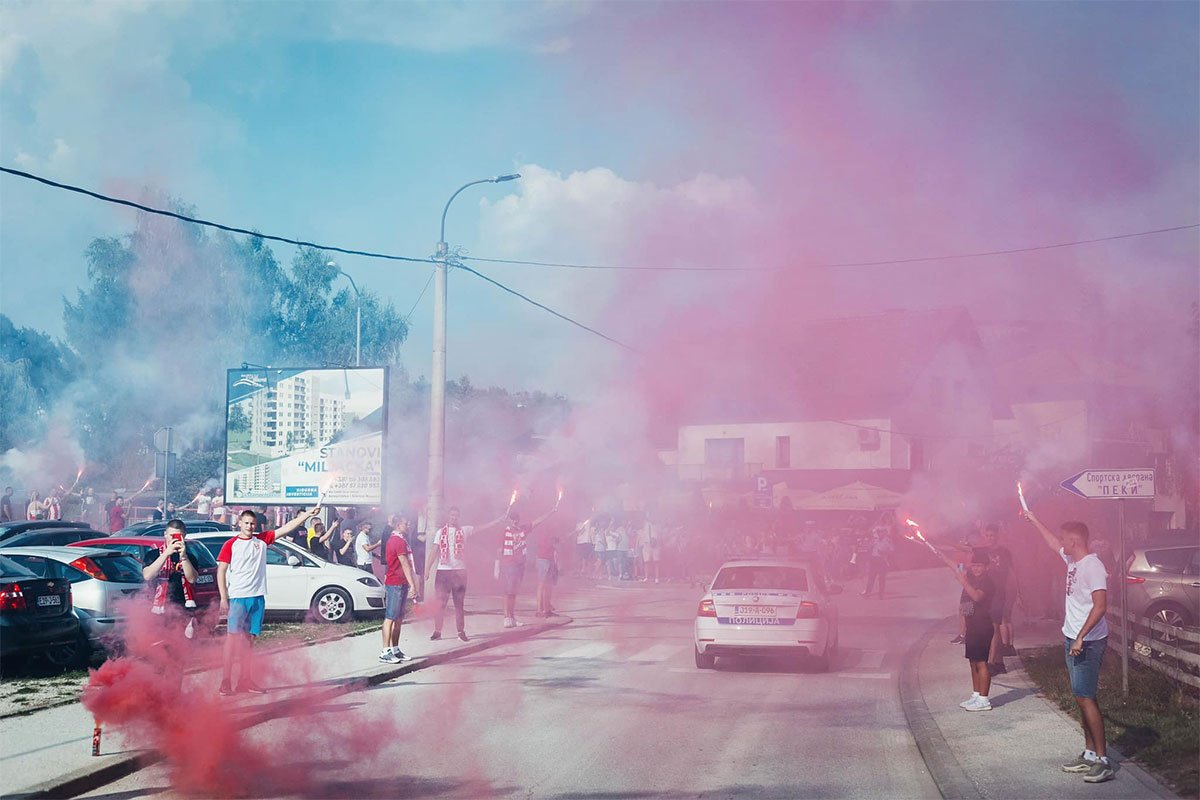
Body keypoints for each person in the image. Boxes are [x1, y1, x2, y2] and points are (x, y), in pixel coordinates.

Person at [1022, 512, 1113, 782]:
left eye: (1065, 539)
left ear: (1074, 541)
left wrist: (1081, 636)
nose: (1061, 543)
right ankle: (1089, 755)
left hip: (1088, 641)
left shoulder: (1092, 567)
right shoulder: (1072, 559)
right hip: (1072, 637)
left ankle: (1104, 761)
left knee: (1086, 697)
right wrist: (1034, 519)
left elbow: (1101, 606)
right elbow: (1052, 542)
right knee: (1081, 697)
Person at [217, 506, 318, 696]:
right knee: (232, 640)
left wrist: (307, 515)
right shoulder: (231, 544)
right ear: (239, 523)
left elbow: (287, 528)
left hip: (257, 597)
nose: (249, 526)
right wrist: (224, 598)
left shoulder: (262, 540)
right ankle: (225, 681)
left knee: (249, 640)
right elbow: (221, 570)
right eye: (246, 523)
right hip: (238, 597)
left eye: (252, 523)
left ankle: (244, 681)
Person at [424, 505, 504, 642]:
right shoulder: (440, 532)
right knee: (440, 603)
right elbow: (433, 551)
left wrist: (497, 521)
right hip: (443, 571)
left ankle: (461, 631)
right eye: (451, 515)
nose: (453, 518)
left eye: (456, 515)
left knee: (459, 604)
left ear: (458, 517)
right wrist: (427, 569)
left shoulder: (465, 530)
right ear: (448, 517)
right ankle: (437, 631)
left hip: (459, 572)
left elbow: (482, 528)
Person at [935, 549, 996, 710]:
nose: (976, 569)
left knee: (982, 663)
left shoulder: (987, 582)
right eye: (974, 565)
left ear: (986, 567)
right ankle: (976, 695)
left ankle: (984, 700)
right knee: (973, 662)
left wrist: (963, 582)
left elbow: (977, 596)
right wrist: (942, 555)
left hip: (983, 627)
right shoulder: (970, 576)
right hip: (972, 627)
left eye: (979, 566)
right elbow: (956, 566)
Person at [496, 507, 556, 628]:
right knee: (509, 590)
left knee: (514, 591)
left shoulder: (522, 529)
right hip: (509, 564)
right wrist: (497, 566)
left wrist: (550, 512)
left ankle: (512, 617)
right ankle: (506, 617)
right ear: (509, 520)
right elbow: (499, 549)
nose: (515, 521)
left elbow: (536, 522)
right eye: (512, 519)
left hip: (520, 565)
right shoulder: (504, 531)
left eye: (516, 519)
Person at [379, 516, 416, 664]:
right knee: (390, 617)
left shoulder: (401, 540)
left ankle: (395, 649)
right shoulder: (397, 541)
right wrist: (412, 583)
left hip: (400, 582)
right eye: (406, 523)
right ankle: (385, 651)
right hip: (395, 583)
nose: (409, 525)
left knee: (399, 618)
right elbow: (405, 564)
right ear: (399, 525)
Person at [143, 519, 200, 615]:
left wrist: (184, 557)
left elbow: (192, 579)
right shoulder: (153, 554)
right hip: (156, 607)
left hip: (182, 607)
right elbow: (148, 576)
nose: (175, 539)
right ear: (165, 534)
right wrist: (166, 554)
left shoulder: (190, 557)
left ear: (184, 535)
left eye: (178, 536)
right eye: (171, 536)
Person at [861, 527, 894, 599]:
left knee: (881, 579)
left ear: (884, 533)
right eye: (879, 532)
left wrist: (884, 552)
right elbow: (868, 548)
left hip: (882, 560)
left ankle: (881, 594)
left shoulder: (888, 541)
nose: (880, 533)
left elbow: (892, 551)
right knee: (871, 578)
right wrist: (870, 545)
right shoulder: (875, 540)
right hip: (873, 560)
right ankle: (867, 593)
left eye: (881, 532)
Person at [535, 531, 560, 618]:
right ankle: (539, 610)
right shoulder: (544, 528)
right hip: (543, 558)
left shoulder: (553, 526)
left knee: (549, 585)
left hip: (550, 557)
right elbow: (550, 541)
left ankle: (547, 609)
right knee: (542, 584)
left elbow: (555, 542)